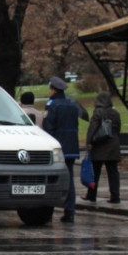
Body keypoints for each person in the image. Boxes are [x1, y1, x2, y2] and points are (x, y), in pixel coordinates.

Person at [43, 76, 80, 223]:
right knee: (70, 178)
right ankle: (69, 210)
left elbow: (48, 127)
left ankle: (48, 210)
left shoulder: (52, 105)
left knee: (52, 178)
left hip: (59, 146)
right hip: (72, 146)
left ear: (53, 89)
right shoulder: (71, 104)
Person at [83, 91, 121, 204]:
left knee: (95, 172)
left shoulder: (98, 112)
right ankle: (115, 196)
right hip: (113, 146)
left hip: (99, 146)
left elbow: (92, 129)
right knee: (113, 172)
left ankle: (91, 195)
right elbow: (118, 129)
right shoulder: (115, 113)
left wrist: (89, 142)